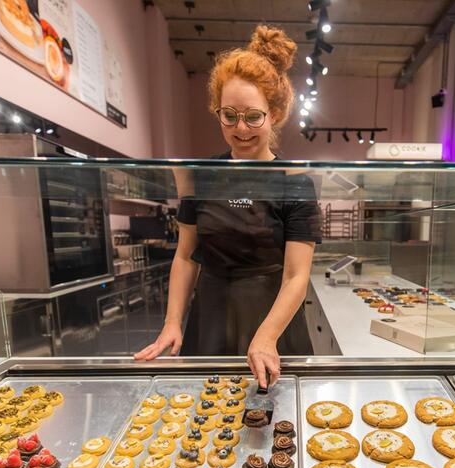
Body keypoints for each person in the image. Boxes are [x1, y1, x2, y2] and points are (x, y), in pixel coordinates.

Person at [134, 26, 321, 389]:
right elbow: (187, 256)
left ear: (275, 114)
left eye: (254, 116)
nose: (241, 128)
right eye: (229, 115)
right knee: (206, 422)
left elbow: (297, 275)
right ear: (216, 111)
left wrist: (267, 336)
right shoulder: (199, 176)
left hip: (273, 314)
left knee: (276, 425)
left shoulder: (295, 180)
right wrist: (173, 321)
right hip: (212, 312)